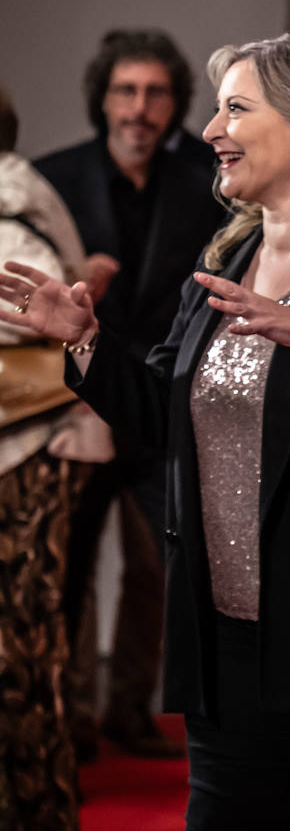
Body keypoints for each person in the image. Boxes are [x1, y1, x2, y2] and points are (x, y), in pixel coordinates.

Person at [1, 33, 290, 831]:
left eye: (235, 108)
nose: (211, 129)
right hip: (231, 643)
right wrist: (84, 341)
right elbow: (158, 419)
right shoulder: (230, 252)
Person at [34, 29, 226, 759]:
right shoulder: (51, 180)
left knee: (161, 564)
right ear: (101, 100)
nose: (139, 108)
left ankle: (127, 709)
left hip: (158, 408)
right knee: (70, 568)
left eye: (155, 93)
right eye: (125, 90)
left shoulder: (208, 184)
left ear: (176, 105)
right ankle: (70, 717)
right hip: (71, 405)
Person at [0, 82, 112, 830]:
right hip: (27, 448)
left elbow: (37, 314)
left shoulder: (9, 205)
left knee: (20, 654)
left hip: (33, 454)